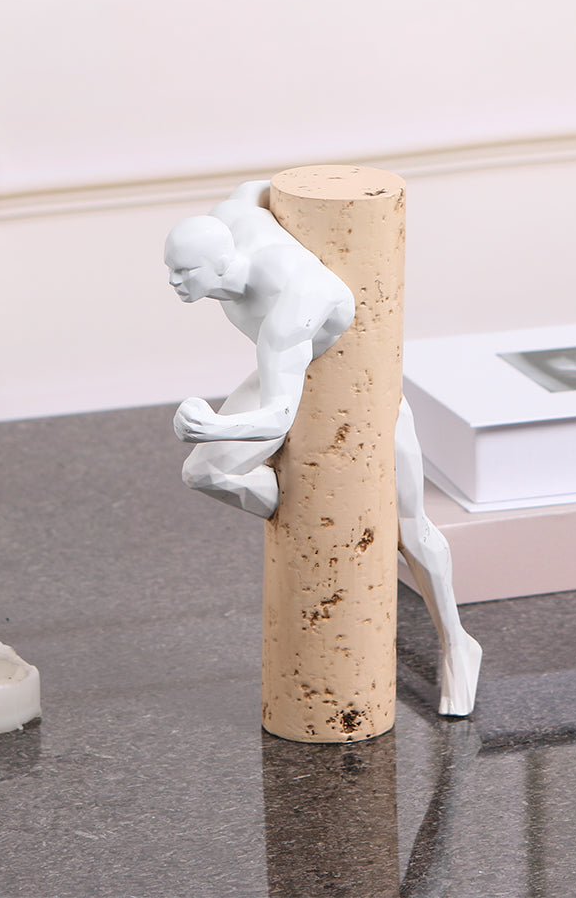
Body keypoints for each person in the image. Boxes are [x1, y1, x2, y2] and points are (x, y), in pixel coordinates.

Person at [164, 181, 481, 716]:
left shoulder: (292, 301)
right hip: (286, 378)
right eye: (171, 269)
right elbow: (252, 189)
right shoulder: (230, 219)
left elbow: (278, 416)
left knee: (409, 527)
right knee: (203, 474)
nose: (173, 282)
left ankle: (458, 643)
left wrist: (213, 427)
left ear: (220, 263)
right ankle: (290, 503)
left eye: (184, 272)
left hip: (363, 395)